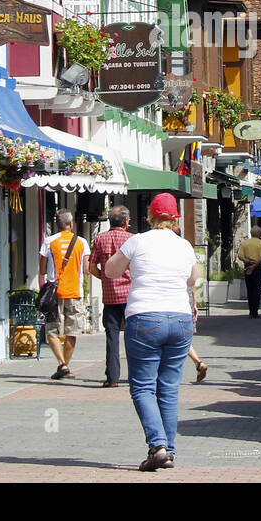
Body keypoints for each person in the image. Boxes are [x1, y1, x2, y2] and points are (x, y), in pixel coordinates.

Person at [102, 193, 198, 471]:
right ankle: (169, 449)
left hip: (145, 315)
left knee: (143, 386)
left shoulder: (137, 241)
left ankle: (157, 446)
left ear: (150, 216)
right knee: (168, 387)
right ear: (175, 217)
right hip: (180, 318)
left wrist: (131, 265)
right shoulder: (184, 245)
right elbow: (192, 279)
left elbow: (110, 271)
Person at [38, 210, 89, 380]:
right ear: (71, 224)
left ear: (56, 225)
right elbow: (86, 270)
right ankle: (65, 365)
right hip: (75, 292)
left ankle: (62, 364)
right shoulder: (82, 242)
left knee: (52, 330)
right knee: (72, 331)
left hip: (54, 294)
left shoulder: (49, 242)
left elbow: (42, 270)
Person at [88, 205, 133, 387]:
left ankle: (112, 377)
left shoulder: (100, 239)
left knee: (111, 337)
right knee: (133, 337)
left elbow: (91, 268)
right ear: (126, 222)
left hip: (110, 296)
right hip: (130, 295)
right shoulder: (132, 239)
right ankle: (136, 375)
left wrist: (106, 278)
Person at [237, 227, 261, 318]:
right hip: (258, 267)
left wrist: (248, 262)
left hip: (247, 266)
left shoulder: (245, 243)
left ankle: (251, 310)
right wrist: (254, 265)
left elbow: (240, 256)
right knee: (257, 290)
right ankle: (255, 311)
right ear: (259, 234)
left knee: (250, 289)